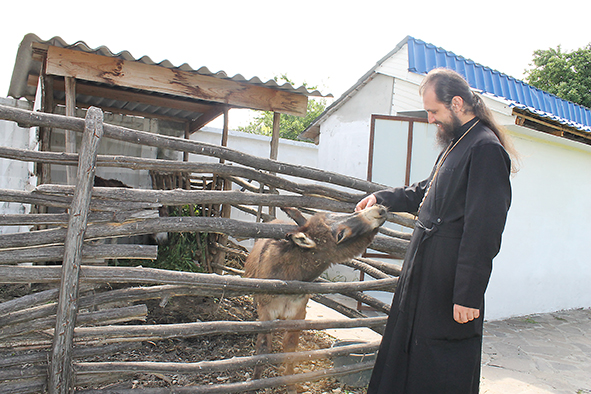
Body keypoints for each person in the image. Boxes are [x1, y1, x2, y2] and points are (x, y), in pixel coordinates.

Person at [357, 68, 517, 393]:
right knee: (411, 361)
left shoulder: (485, 148)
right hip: (423, 277)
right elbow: (424, 193)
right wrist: (382, 198)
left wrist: (468, 294)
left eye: (434, 111)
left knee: (440, 368)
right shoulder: (458, 143)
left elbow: (484, 229)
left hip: (448, 286)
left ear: (457, 103)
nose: (430, 119)